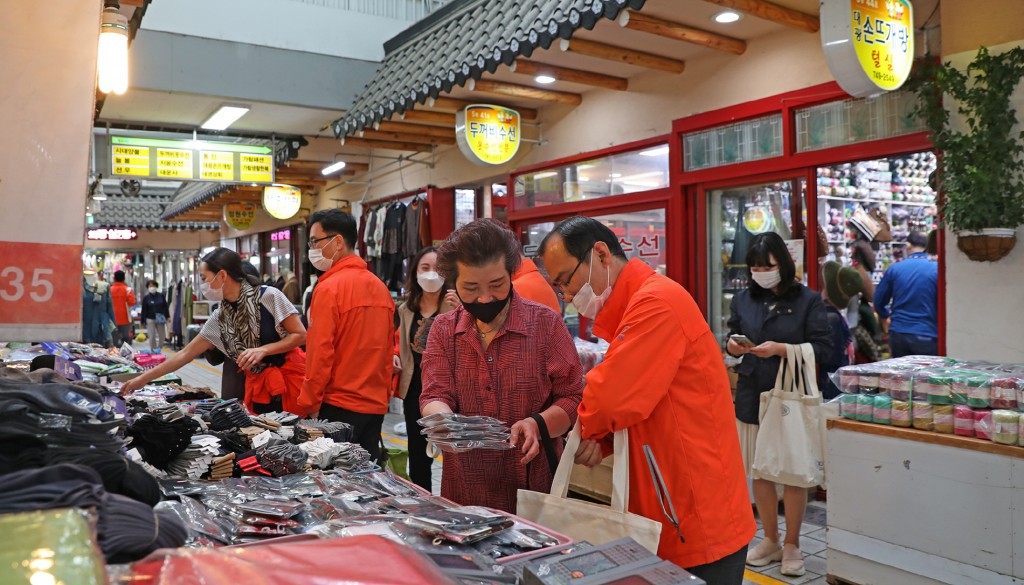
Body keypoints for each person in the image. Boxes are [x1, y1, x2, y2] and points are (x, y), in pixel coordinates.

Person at [540, 216, 754, 584]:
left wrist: (586, 425)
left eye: (566, 281)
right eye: (558, 287)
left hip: (694, 515)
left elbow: (611, 397)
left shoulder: (656, 303)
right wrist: (602, 438)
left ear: (601, 254)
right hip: (672, 505)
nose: (566, 295)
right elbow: (643, 396)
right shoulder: (638, 304)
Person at [421, 219, 583, 514]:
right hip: (464, 488)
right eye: (471, 288)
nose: (485, 298)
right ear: (453, 284)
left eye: (496, 285)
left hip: (535, 487)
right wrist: (443, 421)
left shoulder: (545, 324)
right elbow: (434, 394)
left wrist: (539, 423)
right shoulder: (444, 329)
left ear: (511, 274)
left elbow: (573, 396)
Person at [725, 232, 832, 577]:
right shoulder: (743, 298)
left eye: (766, 266)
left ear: (783, 265)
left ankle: (793, 543)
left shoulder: (808, 300)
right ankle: (770, 539)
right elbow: (732, 334)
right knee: (761, 469)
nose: (760, 272)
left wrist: (783, 349)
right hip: (753, 392)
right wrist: (733, 347)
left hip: (791, 398)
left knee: (793, 470)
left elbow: (825, 349)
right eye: (754, 267)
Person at [121, 249, 307, 414]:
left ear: (222, 275)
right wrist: (141, 379)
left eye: (203, 277)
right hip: (259, 390)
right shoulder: (220, 317)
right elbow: (185, 354)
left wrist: (265, 349)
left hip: (292, 384)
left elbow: (300, 335)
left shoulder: (269, 296)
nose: (202, 284)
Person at [298, 209, 394, 461]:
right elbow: (386, 350)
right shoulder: (379, 287)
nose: (312, 248)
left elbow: (319, 353)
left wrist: (309, 403)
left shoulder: (329, 288)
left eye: (314, 241)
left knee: (335, 484)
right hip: (374, 405)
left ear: (337, 242)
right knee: (366, 478)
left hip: (337, 404)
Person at [394, 246, 459, 492]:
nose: (431, 274)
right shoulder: (406, 309)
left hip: (448, 388)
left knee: (452, 448)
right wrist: (393, 357)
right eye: (425, 268)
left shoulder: (456, 305)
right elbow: (400, 344)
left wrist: (460, 311)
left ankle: (453, 499)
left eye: (438, 269)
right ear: (415, 272)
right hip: (415, 387)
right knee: (417, 450)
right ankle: (423, 500)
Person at [873, 231, 939, 357]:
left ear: (908, 245)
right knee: (925, 375)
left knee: (901, 375)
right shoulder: (936, 269)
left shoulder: (895, 269)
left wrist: (885, 315)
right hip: (928, 333)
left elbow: (878, 300)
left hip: (899, 333)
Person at [820, 261, 862, 399]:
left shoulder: (831, 319)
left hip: (830, 389)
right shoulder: (837, 317)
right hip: (838, 386)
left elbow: (829, 360)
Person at [139, 280, 169, 353]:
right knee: (151, 336)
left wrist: (168, 316)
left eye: (153, 286)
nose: (152, 287)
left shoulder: (161, 296)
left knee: (162, 336)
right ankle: (153, 350)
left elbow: (165, 306)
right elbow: (144, 310)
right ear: (148, 287)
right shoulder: (146, 298)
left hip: (160, 318)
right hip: (149, 319)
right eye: (150, 286)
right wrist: (142, 321)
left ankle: (159, 348)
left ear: (156, 286)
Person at [109, 270, 136, 348]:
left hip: (112, 319)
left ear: (114, 279)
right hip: (125, 319)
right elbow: (132, 303)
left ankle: (115, 356)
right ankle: (125, 356)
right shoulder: (128, 290)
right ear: (124, 278)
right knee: (126, 340)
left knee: (114, 341)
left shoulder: (110, 290)